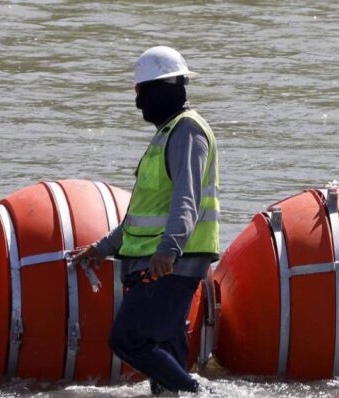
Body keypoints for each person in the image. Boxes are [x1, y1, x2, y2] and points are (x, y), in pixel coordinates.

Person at [71, 46, 219, 394]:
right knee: (164, 349)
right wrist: (101, 248)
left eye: (143, 92)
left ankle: (200, 394)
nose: (138, 103)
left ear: (165, 89)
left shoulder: (187, 131)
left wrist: (169, 249)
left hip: (171, 262)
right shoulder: (166, 134)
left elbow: (188, 196)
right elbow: (141, 215)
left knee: (128, 339)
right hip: (156, 260)